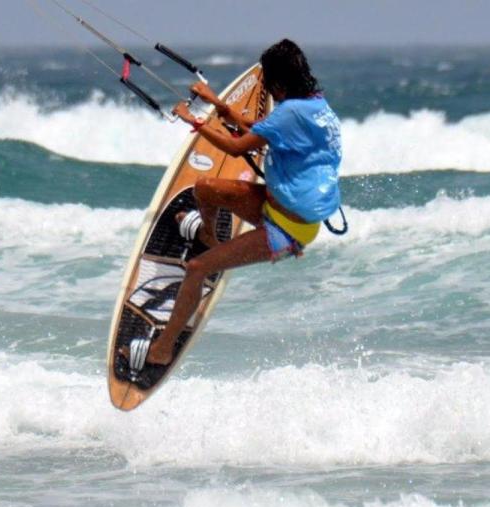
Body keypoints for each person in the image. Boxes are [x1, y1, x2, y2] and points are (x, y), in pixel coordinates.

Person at [137, 38, 342, 367]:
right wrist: (217, 104)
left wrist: (193, 120)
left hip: (287, 230)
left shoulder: (290, 112)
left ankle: (162, 349)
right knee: (205, 189)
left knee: (196, 268)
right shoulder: (317, 106)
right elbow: (259, 131)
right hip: (275, 205)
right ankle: (208, 236)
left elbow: (236, 148)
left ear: (277, 83)